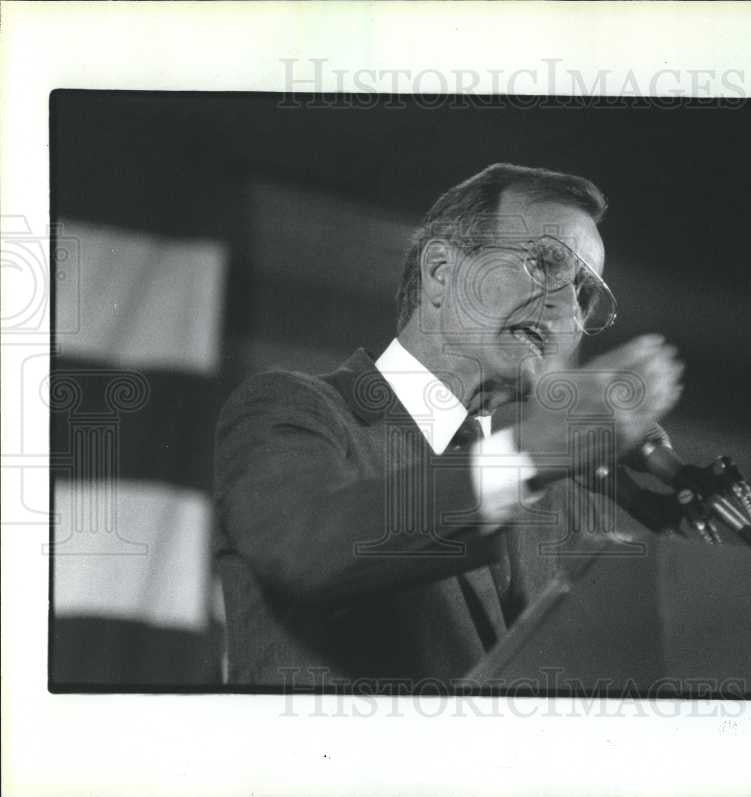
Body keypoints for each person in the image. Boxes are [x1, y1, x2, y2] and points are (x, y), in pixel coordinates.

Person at [213, 163, 685, 686]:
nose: (565, 309)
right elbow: (309, 546)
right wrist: (531, 452)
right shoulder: (296, 410)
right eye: (545, 262)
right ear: (441, 271)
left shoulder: (559, 505)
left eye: (584, 295)